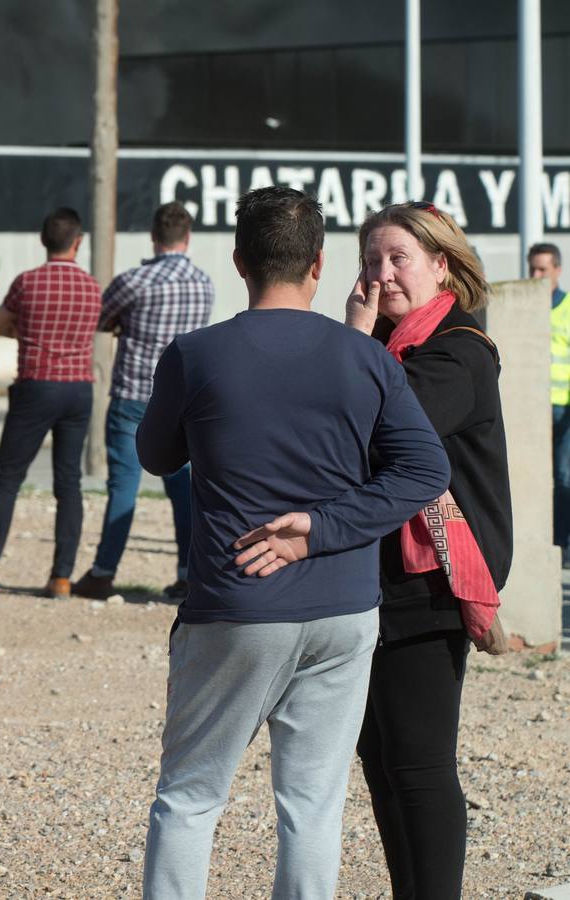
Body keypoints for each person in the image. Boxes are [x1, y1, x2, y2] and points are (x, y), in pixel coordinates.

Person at [137, 187, 450, 898]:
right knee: (312, 808)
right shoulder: (366, 358)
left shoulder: (196, 355)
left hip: (236, 604)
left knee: (190, 799)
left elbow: (156, 456)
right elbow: (426, 469)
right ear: (319, 263)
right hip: (342, 606)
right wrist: (322, 528)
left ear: (240, 261)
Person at [341, 203, 512, 900]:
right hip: (377, 575)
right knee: (380, 758)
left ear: (442, 265)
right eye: (370, 261)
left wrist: (350, 342)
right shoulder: (384, 349)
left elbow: (381, 425)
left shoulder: (458, 349)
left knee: (417, 763)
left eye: (398, 259)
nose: (382, 277)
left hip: (430, 580)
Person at [0, 207, 101, 599]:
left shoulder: (27, 282)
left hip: (36, 386)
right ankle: (61, 577)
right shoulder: (92, 287)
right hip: (78, 389)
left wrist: (28, 334)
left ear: (43, 241)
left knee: (8, 480)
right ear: (77, 243)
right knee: (69, 482)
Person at [72, 201, 214, 602]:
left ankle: (103, 572)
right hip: (183, 399)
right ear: (187, 238)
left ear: (154, 237)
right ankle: (188, 573)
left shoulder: (134, 281)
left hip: (135, 394)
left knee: (123, 486)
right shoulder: (204, 283)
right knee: (183, 490)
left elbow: (102, 320)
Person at [530, 242, 569, 566]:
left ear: (558, 269)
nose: (536, 275)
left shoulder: (567, 308)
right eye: (533, 268)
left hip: (564, 409)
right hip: (533, 409)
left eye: (543, 269)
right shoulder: (524, 306)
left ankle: (562, 542)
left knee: (564, 475)